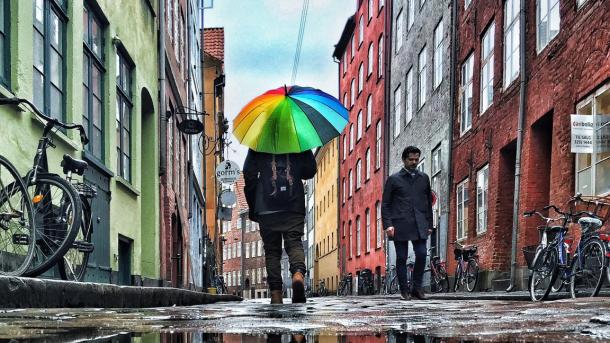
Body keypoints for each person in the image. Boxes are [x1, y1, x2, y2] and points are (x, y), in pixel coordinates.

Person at [243, 149, 317, 304]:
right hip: (294, 203)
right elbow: (310, 170)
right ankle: (297, 275)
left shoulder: (258, 141)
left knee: (272, 251)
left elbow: (249, 174)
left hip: (266, 206)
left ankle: (276, 294)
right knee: (294, 242)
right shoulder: (298, 137)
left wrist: (253, 204)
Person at [381, 146, 434, 300]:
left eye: (416, 159)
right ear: (404, 160)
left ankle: (417, 288)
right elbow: (386, 204)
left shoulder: (423, 178)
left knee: (422, 254)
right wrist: (388, 224)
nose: (414, 162)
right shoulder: (394, 179)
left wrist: (429, 224)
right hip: (400, 224)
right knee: (402, 257)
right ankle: (404, 290)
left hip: (419, 223)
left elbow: (427, 202)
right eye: (411, 159)